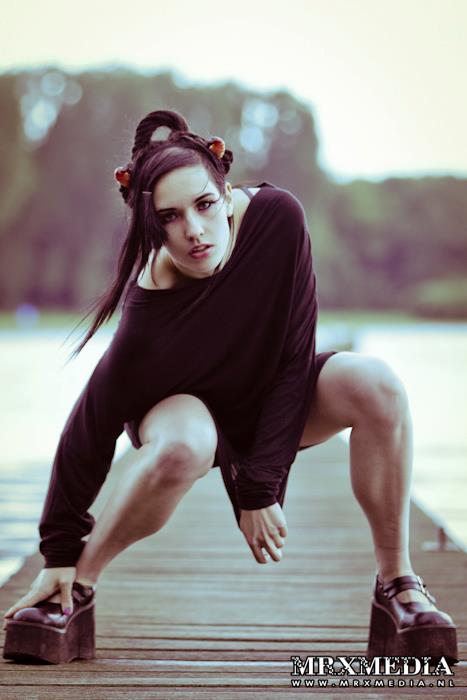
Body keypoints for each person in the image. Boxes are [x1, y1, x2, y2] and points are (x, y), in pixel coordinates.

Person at [3, 109, 457, 665]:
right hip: (184, 412)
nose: (194, 230)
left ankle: (398, 584)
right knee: (183, 445)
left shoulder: (279, 219)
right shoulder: (150, 303)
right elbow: (89, 427)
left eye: (204, 205)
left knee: (376, 383)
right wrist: (57, 551)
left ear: (225, 191)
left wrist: (259, 487)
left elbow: (294, 358)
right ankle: (75, 589)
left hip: (269, 392)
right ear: (151, 225)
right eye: (169, 217)